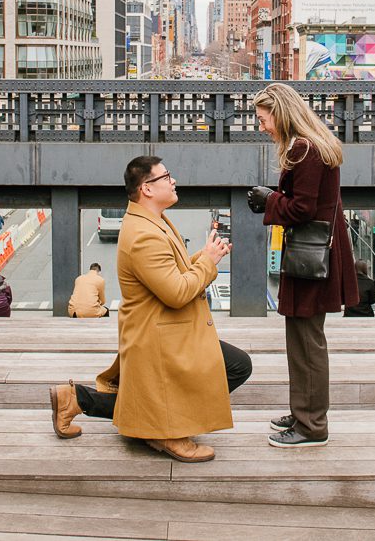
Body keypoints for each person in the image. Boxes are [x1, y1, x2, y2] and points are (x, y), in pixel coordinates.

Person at [49, 155, 249, 463]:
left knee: (230, 367)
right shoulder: (144, 234)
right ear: (147, 189)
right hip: (160, 337)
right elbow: (177, 292)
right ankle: (167, 429)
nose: (173, 181)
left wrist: (204, 256)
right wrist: (208, 263)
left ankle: (78, 399)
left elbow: (171, 271)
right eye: (166, 176)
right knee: (236, 366)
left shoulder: (150, 220)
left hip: (164, 330)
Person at [247, 83, 357, 448]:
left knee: (307, 343)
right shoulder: (312, 144)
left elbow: (303, 209)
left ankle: (311, 426)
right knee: (302, 338)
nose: (262, 126)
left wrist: (269, 199)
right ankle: (303, 412)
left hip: (312, 260)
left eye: (263, 119)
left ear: (280, 113)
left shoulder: (304, 149)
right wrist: (276, 198)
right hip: (315, 257)